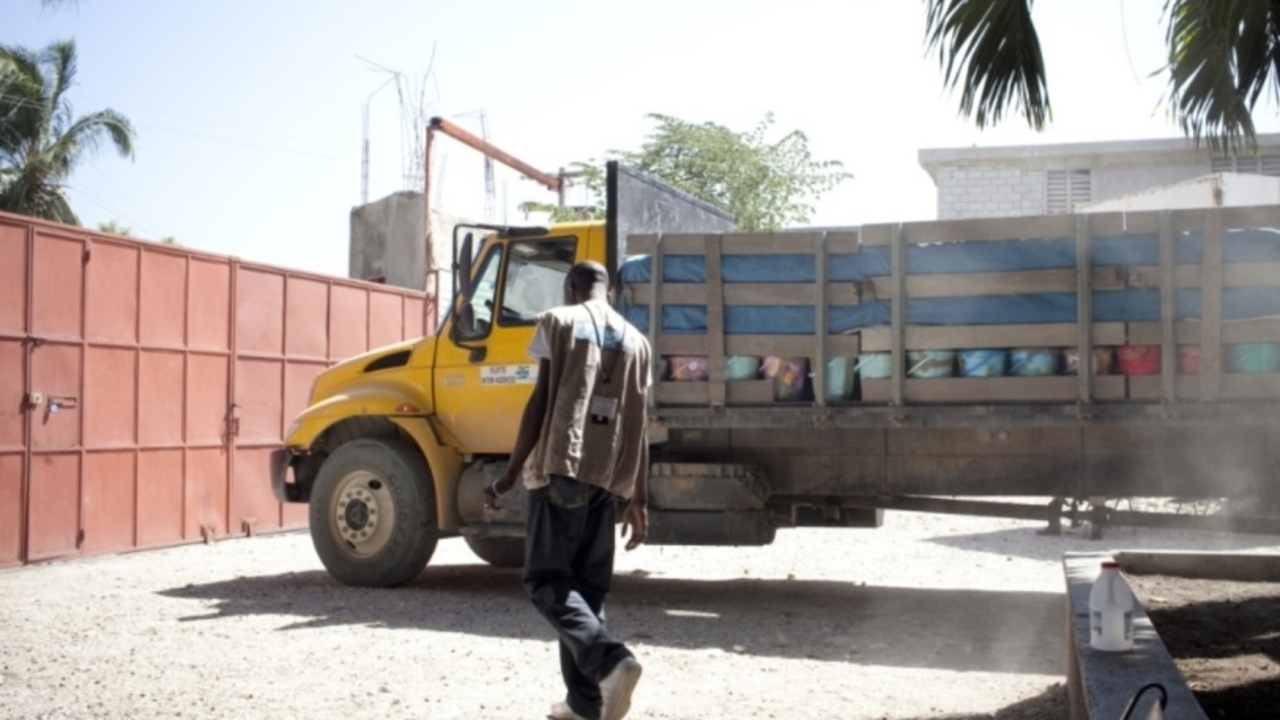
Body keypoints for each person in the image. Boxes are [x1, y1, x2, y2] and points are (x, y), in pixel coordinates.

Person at [483, 259, 652, 720]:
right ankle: (584, 703)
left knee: (545, 580)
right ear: (610, 293)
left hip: (562, 467)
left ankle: (611, 661)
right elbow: (639, 426)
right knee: (586, 591)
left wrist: (510, 474)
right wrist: (638, 497)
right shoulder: (639, 343)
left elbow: (540, 399)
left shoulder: (557, 321)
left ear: (570, 287)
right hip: (609, 478)